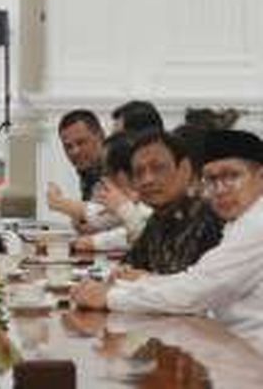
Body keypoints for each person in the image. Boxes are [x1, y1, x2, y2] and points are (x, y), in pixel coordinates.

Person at [72, 129, 263, 354]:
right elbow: (192, 280)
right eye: (211, 179)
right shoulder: (237, 222)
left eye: (232, 176)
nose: (220, 189)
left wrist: (111, 297)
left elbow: (194, 293)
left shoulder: (254, 223)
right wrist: (132, 284)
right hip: (229, 348)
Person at [119, 130, 223, 275]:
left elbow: (199, 288)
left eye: (158, 168)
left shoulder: (212, 219)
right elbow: (130, 265)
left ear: (185, 169)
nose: (147, 180)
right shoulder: (157, 219)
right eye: (139, 172)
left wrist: (147, 280)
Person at [51, 109, 105, 203]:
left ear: (100, 136)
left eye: (81, 142)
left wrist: (61, 204)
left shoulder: (118, 169)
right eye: (68, 146)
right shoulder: (88, 173)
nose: (75, 151)